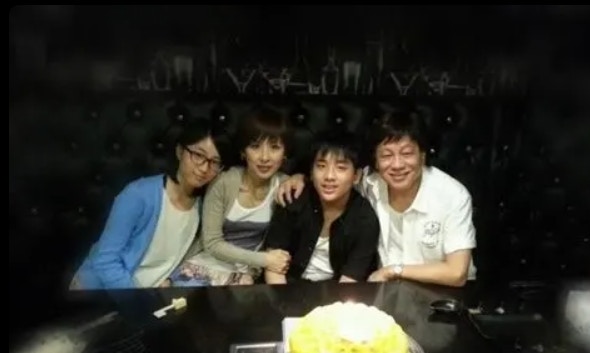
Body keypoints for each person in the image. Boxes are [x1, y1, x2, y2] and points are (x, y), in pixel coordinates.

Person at [277, 110, 476, 287]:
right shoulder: (369, 182)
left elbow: (456, 273)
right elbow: (336, 177)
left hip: (443, 292)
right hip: (386, 291)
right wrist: (299, 177)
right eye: (386, 155)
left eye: (407, 153)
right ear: (376, 161)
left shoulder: (451, 195)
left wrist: (393, 271)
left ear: (422, 156)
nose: (397, 165)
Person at [71, 118, 231, 289]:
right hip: (99, 291)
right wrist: (138, 301)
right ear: (179, 151)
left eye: (215, 162)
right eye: (198, 155)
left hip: (150, 297)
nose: (204, 168)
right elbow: (105, 260)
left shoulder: (203, 207)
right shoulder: (138, 194)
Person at [170, 104, 291, 286]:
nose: (264, 157)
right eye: (255, 146)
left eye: (274, 147)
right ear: (243, 151)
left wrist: (299, 178)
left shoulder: (285, 185)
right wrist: (265, 259)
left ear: (284, 153)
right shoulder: (224, 182)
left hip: (242, 276)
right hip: (202, 268)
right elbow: (212, 243)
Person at [263, 130, 380, 284]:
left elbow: (350, 280)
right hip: (288, 288)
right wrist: (282, 298)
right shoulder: (293, 198)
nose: (329, 176)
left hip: (337, 290)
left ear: (356, 176)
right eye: (321, 166)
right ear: (311, 172)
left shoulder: (365, 218)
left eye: (341, 168)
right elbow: (273, 265)